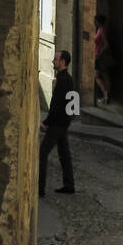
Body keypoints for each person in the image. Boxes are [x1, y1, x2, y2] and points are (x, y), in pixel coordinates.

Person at [38, 50, 75, 197]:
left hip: (57, 125)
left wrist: (46, 122)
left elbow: (56, 105)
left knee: (42, 153)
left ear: (63, 62)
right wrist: (68, 120)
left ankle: (40, 188)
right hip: (63, 123)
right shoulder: (67, 79)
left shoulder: (63, 80)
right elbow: (73, 102)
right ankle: (69, 185)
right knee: (64, 154)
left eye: (55, 59)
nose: (53, 61)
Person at [93, 14, 114, 106]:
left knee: (104, 76)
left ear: (98, 21)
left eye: (95, 20)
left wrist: (100, 54)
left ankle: (107, 95)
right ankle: (105, 94)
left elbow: (106, 45)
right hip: (99, 56)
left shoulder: (102, 31)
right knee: (98, 76)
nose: (94, 22)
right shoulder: (99, 30)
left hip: (102, 57)